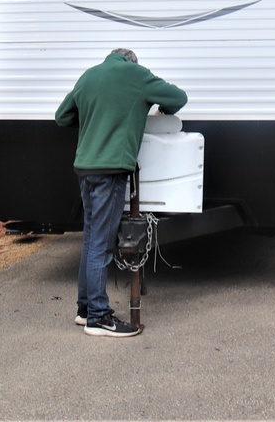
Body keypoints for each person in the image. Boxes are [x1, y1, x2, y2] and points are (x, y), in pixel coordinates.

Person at [55, 48, 188, 337]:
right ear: (131, 61)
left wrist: (95, 118)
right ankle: (100, 318)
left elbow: (62, 117)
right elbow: (178, 98)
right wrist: (155, 106)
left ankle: (85, 309)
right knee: (102, 245)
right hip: (110, 170)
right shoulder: (136, 75)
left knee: (91, 239)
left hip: (85, 170)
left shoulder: (89, 76)